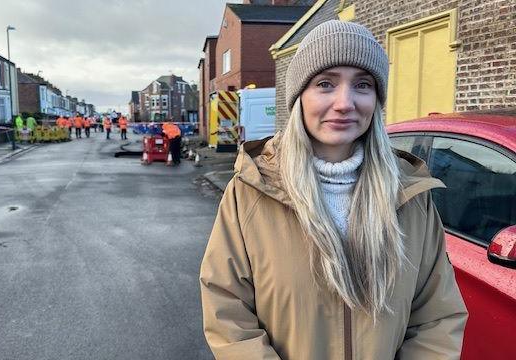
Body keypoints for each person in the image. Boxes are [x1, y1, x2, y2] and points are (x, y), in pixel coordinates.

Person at [199, 20, 467, 360]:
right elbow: (228, 311)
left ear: (377, 99)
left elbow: (436, 318)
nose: (345, 102)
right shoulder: (250, 191)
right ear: (299, 97)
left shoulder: (412, 196)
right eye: (325, 84)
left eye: (363, 85)